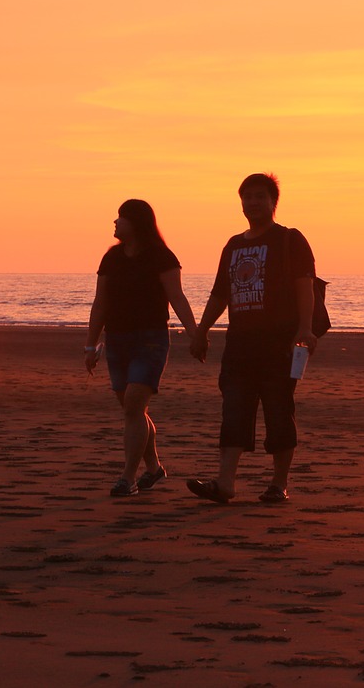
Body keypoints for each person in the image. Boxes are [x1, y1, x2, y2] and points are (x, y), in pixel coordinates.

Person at [187, 173, 318, 504]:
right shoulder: (234, 245)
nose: (252, 203)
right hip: (240, 345)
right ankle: (225, 483)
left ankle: (279, 484)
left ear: (274, 202)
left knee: (278, 411)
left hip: (280, 344)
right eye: (247, 197)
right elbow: (221, 293)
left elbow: (306, 286)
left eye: (260, 197)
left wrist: (305, 328)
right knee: (234, 411)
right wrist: (201, 331)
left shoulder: (289, 239)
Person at [85, 199, 200, 497]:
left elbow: (177, 298)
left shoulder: (161, 256)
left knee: (134, 406)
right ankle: (154, 469)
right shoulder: (112, 258)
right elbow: (101, 303)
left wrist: (195, 334)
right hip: (117, 340)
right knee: (133, 410)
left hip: (150, 339)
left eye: (121, 217)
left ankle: (128, 477)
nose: (115, 222)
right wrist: (90, 344)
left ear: (136, 222)